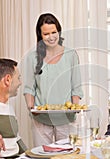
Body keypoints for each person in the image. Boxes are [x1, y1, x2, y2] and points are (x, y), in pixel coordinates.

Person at [22, 13, 84, 147]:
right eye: (46, 34)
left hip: (66, 118)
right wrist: (31, 107)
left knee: (67, 157)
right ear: (40, 35)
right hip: (41, 119)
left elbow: (76, 86)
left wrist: (74, 107)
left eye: (54, 32)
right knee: (42, 158)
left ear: (59, 31)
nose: (51, 37)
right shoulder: (32, 58)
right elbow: (29, 88)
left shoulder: (71, 55)